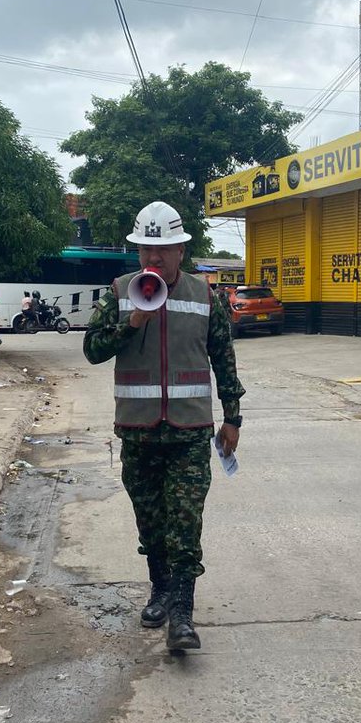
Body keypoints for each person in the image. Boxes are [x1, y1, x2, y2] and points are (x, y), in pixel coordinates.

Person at [83, 201, 244, 651]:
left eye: (163, 251)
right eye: (145, 251)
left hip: (189, 434)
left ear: (180, 250)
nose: (153, 260)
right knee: (151, 521)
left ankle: (182, 616)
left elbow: (224, 360)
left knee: (185, 521)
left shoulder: (204, 295)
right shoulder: (117, 292)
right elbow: (92, 350)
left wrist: (233, 417)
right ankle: (159, 590)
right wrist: (131, 323)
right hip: (138, 433)